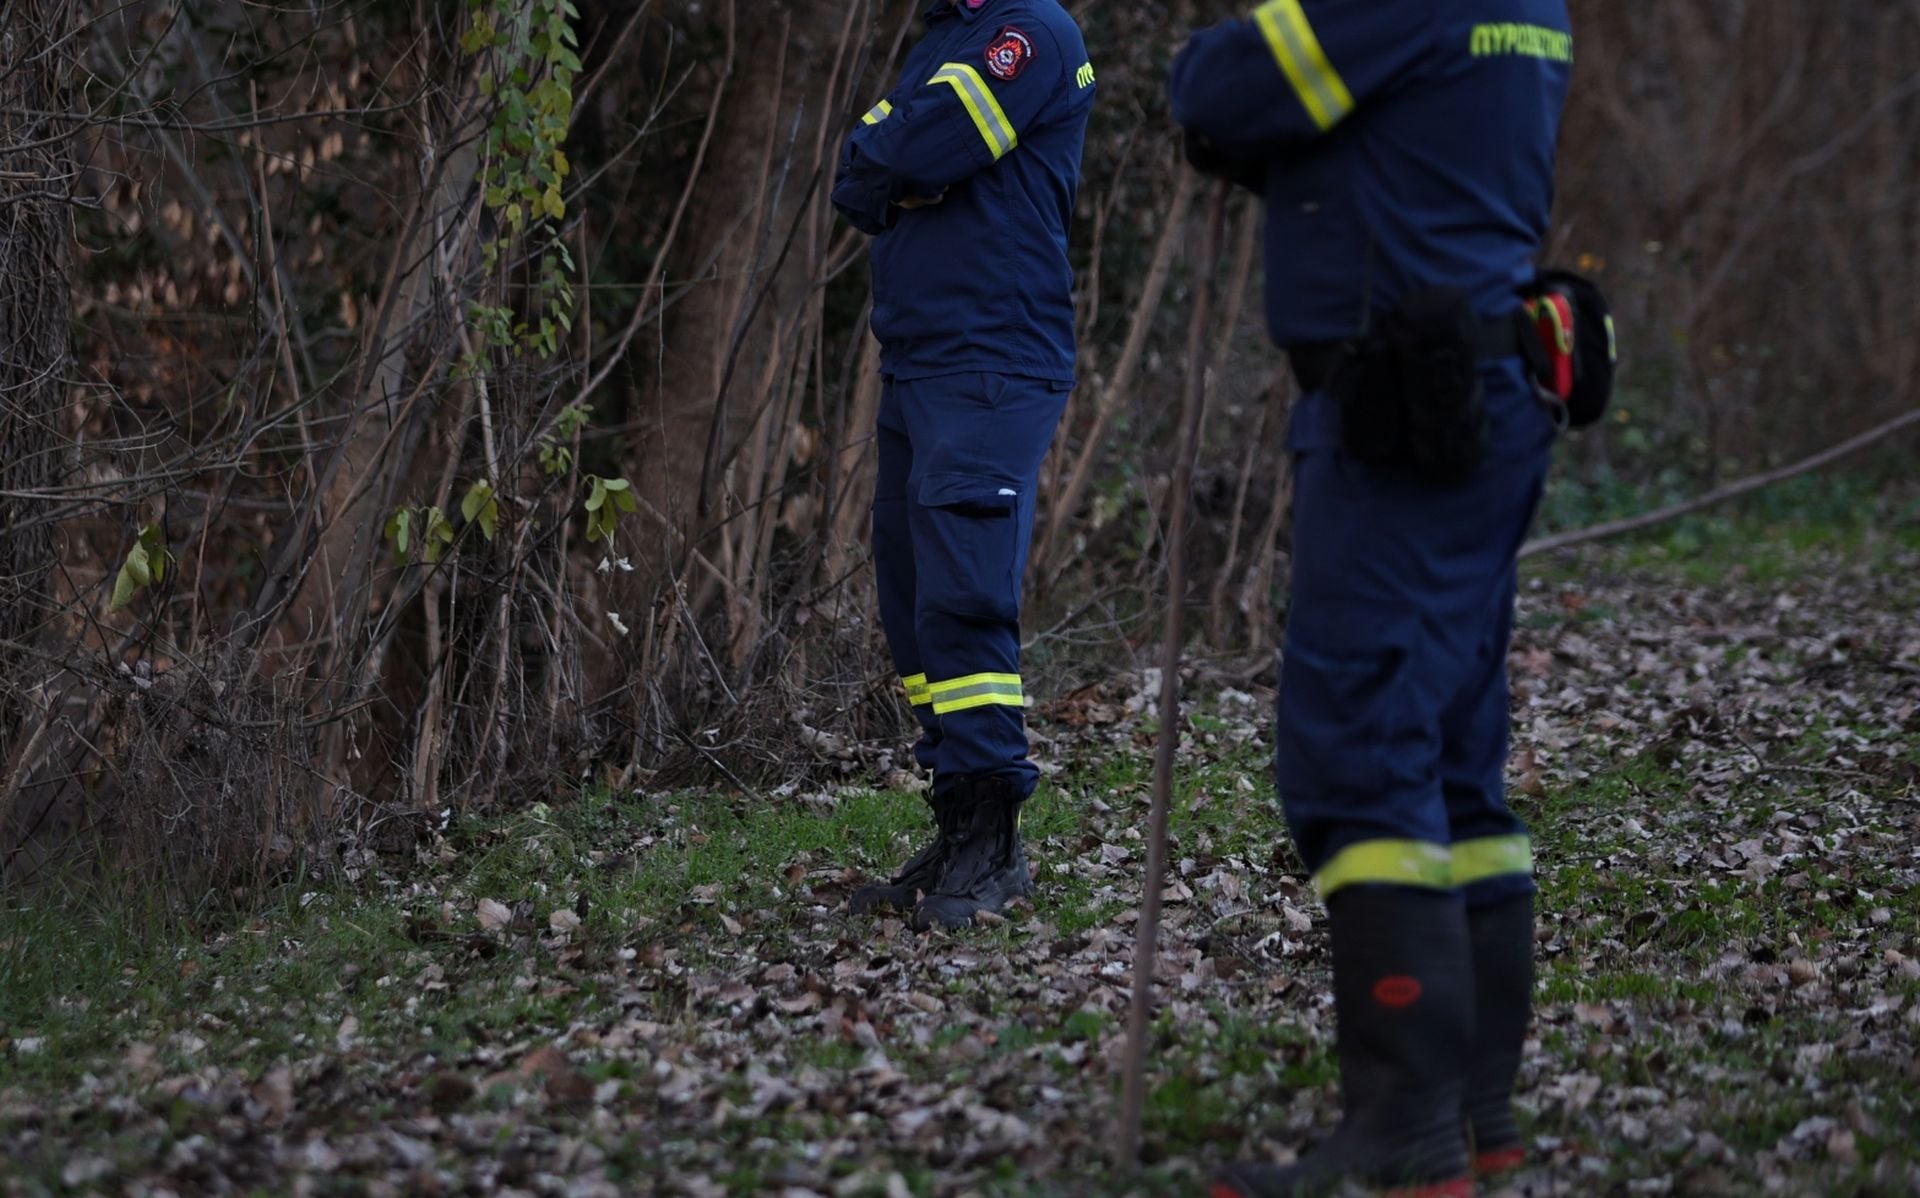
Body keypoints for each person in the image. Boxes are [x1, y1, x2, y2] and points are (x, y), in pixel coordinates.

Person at [1169, 3, 1574, 1194]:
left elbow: (1218, 86)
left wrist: (1228, 98)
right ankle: (1473, 1111)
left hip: (1404, 420)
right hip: (1479, 395)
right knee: (1453, 756)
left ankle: (1405, 1128)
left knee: (1362, 752)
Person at [831, 0, 1095, 931]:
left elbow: (907, 153)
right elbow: (857, 174)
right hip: (917, 357)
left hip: (991, 358)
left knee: (964, 594)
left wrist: (896, 151)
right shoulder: (945, 39)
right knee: (912, 599)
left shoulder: (1032, 33)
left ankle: (994, 837)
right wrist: (891, 151)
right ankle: (955, 817)